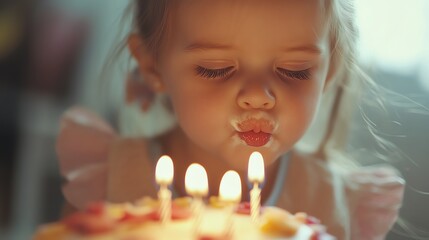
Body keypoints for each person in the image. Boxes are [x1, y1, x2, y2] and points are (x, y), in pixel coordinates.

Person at [56, 0, 405, 239]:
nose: (258, 96)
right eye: (215, 69)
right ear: (152, 66)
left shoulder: (339, 205)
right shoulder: (109, 181)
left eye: (294, 71)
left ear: (329, 73)